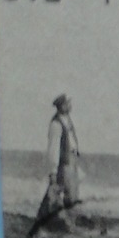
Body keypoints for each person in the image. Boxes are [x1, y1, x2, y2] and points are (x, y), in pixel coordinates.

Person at [40, 93, 81, 224]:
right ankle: (60, 221)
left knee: (70, 191)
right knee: (66, 193)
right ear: (62, 106)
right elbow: (53, 149)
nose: (70, 105)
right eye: (67, 103)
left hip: (71, 160)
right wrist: (52, 170)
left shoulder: (66, 120)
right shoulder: (56, 124)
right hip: (64, 163)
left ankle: (62, 220)